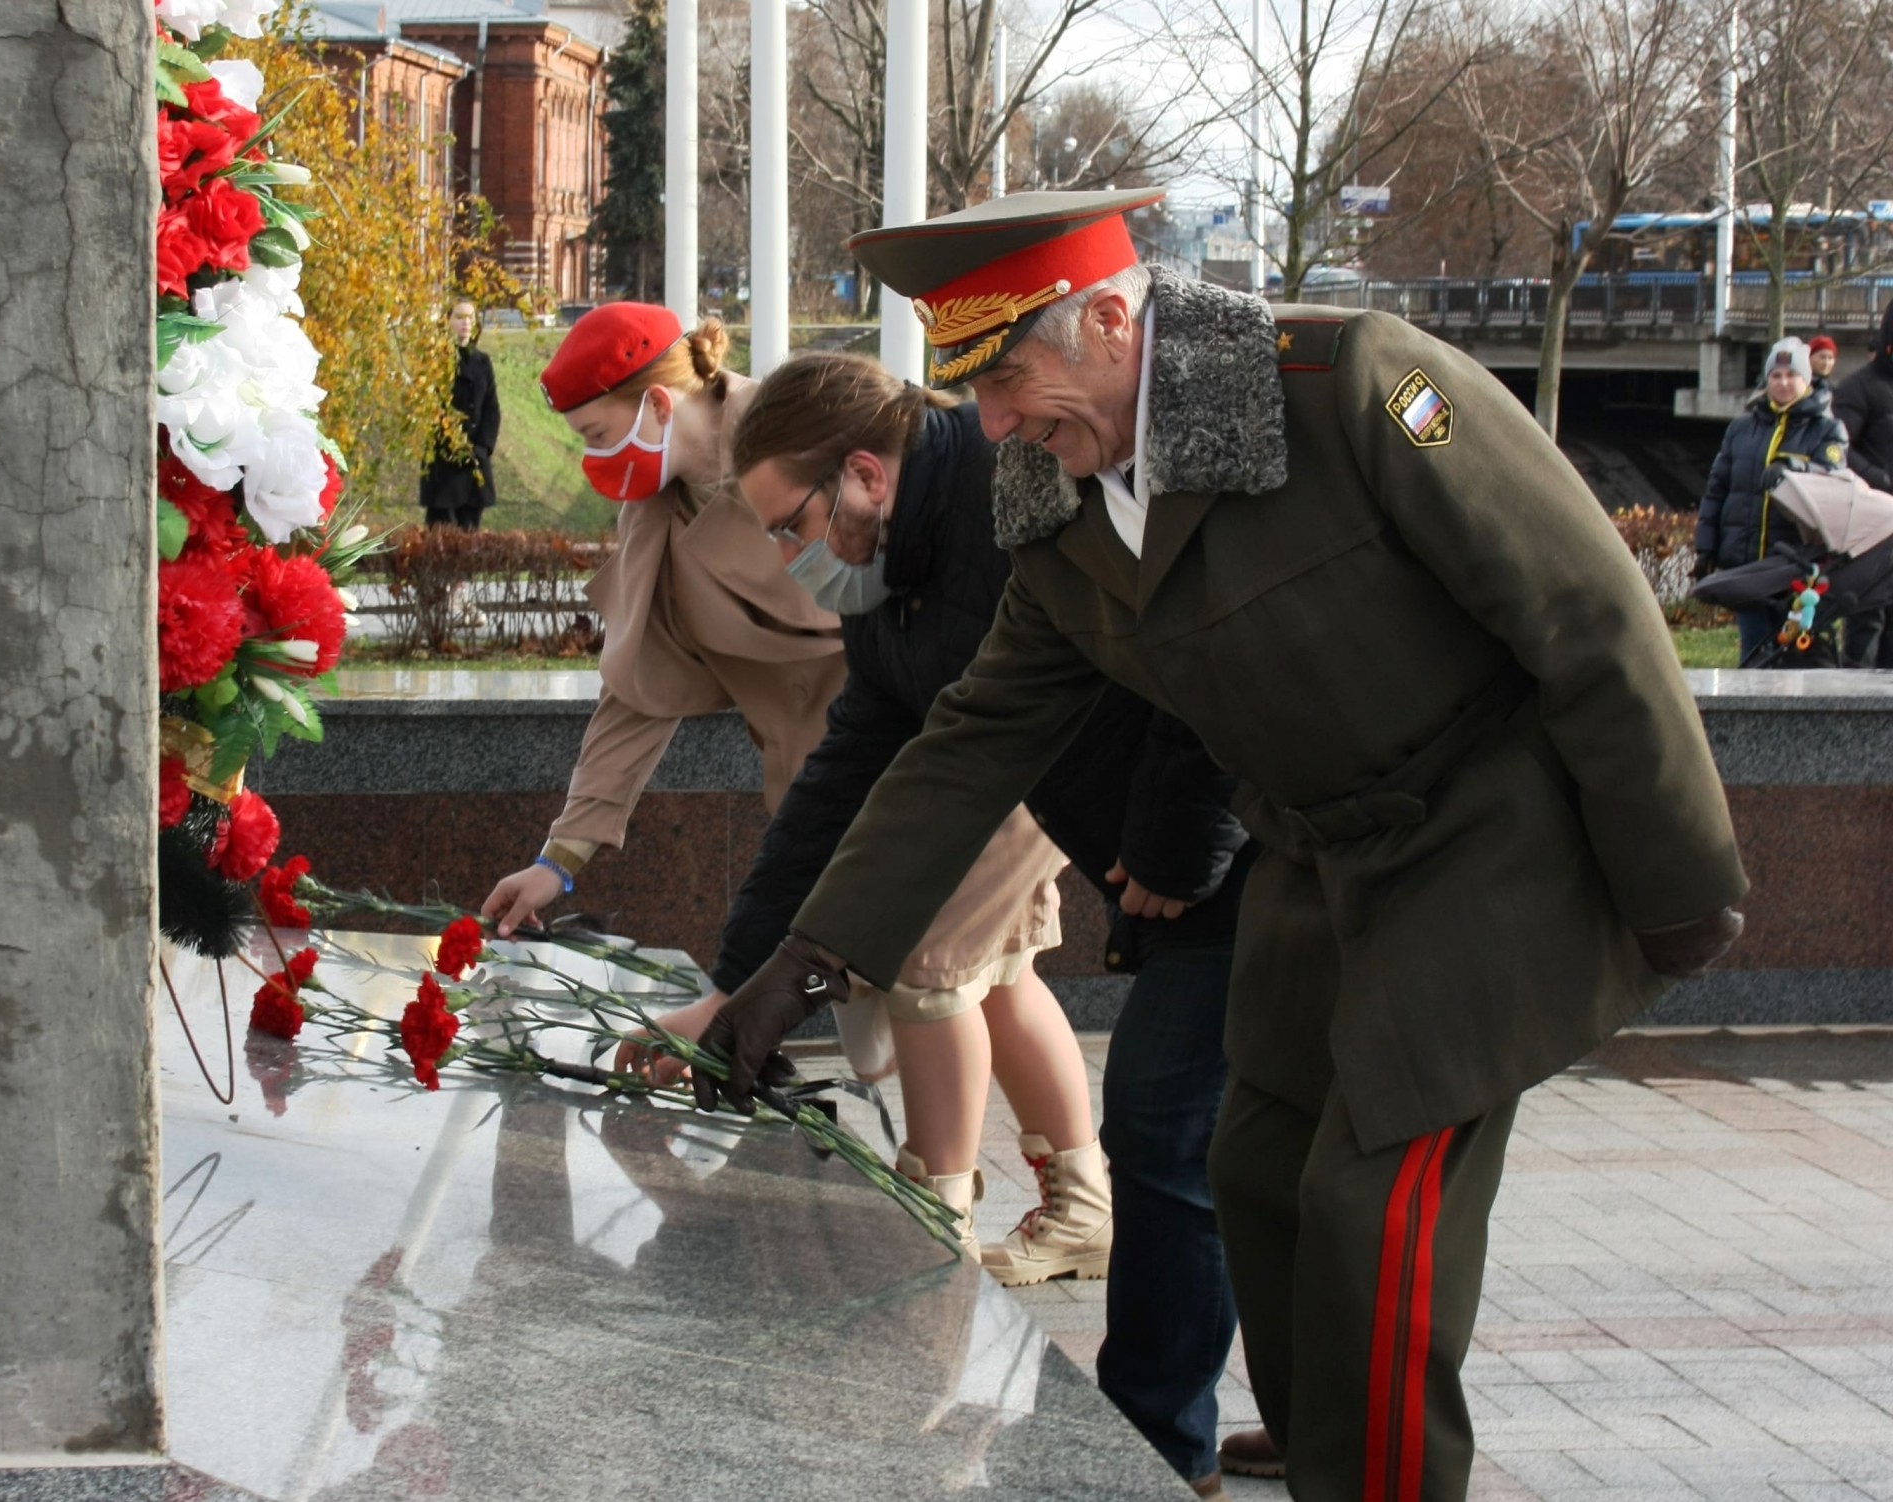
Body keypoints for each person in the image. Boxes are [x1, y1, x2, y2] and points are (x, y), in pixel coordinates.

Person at [696, 189, 1747, 1502]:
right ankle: (1324, 1432)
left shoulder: (1354, 387)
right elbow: (971, 742)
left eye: (1010, 375)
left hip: (1491, 841)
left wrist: (1685, 876)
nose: (997, 418)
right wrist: (802, 960)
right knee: (1251, 1165)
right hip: (1320, 852)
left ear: (1117, 319)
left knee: (1381, 1205)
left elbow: (1588, 608)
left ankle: (1380, 1475)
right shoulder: (1055, 492)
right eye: (978, 385)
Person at [615, 352, 1259, 1492]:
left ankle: (1155, 1444)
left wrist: (1174, 840)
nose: (785, 555)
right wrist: (742, 978)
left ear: (865, 474)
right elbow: (858, 774)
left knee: (1171, 1124)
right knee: (1221, 1138)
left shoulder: (1016, 505)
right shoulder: (890, 578)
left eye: (790, 524)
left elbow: (1200, 644)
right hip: (1145, 848)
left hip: (1245, 844)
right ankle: (1218, 1423)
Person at [482, 304, 846, 928]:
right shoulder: (655, 513)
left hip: (921, 756)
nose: (592, 459)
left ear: (656, 405)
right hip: (819, 788)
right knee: (881, 997)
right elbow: (637, 688)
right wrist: (559, 859)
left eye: (597, 435)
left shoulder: (810, 431)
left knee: (943, 993)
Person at [1696, 336, 1848, 664]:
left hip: (1796, 565)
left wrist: (1795, 469)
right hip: (1747, 562)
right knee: (1752, 649)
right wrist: (1705, 546)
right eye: (1775, 376)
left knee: (1792, 653)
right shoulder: (1741, 429)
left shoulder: (1828, 429)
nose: (1782, 383)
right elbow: (1717, 488)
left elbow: (1833, 478)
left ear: (1805, 380)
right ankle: (1748, 714)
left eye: (1790, 375)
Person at [1833, 304, 1893, 665]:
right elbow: (1838, 450)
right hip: (1873, 529)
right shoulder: (1859, 387)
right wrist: (1880, 482)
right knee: (1867, 625)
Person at [419, 298, 501, 531]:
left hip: (474, 461)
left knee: (470, 534)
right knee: (441, 536)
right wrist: (452, 445)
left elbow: (491, 409)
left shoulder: (482, 362)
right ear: (447, 321)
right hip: (443, 465)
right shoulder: (436, 360)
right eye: (459, 317)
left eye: (470, 317)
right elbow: (430, 409)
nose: (466, 323)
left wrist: (483, 448)